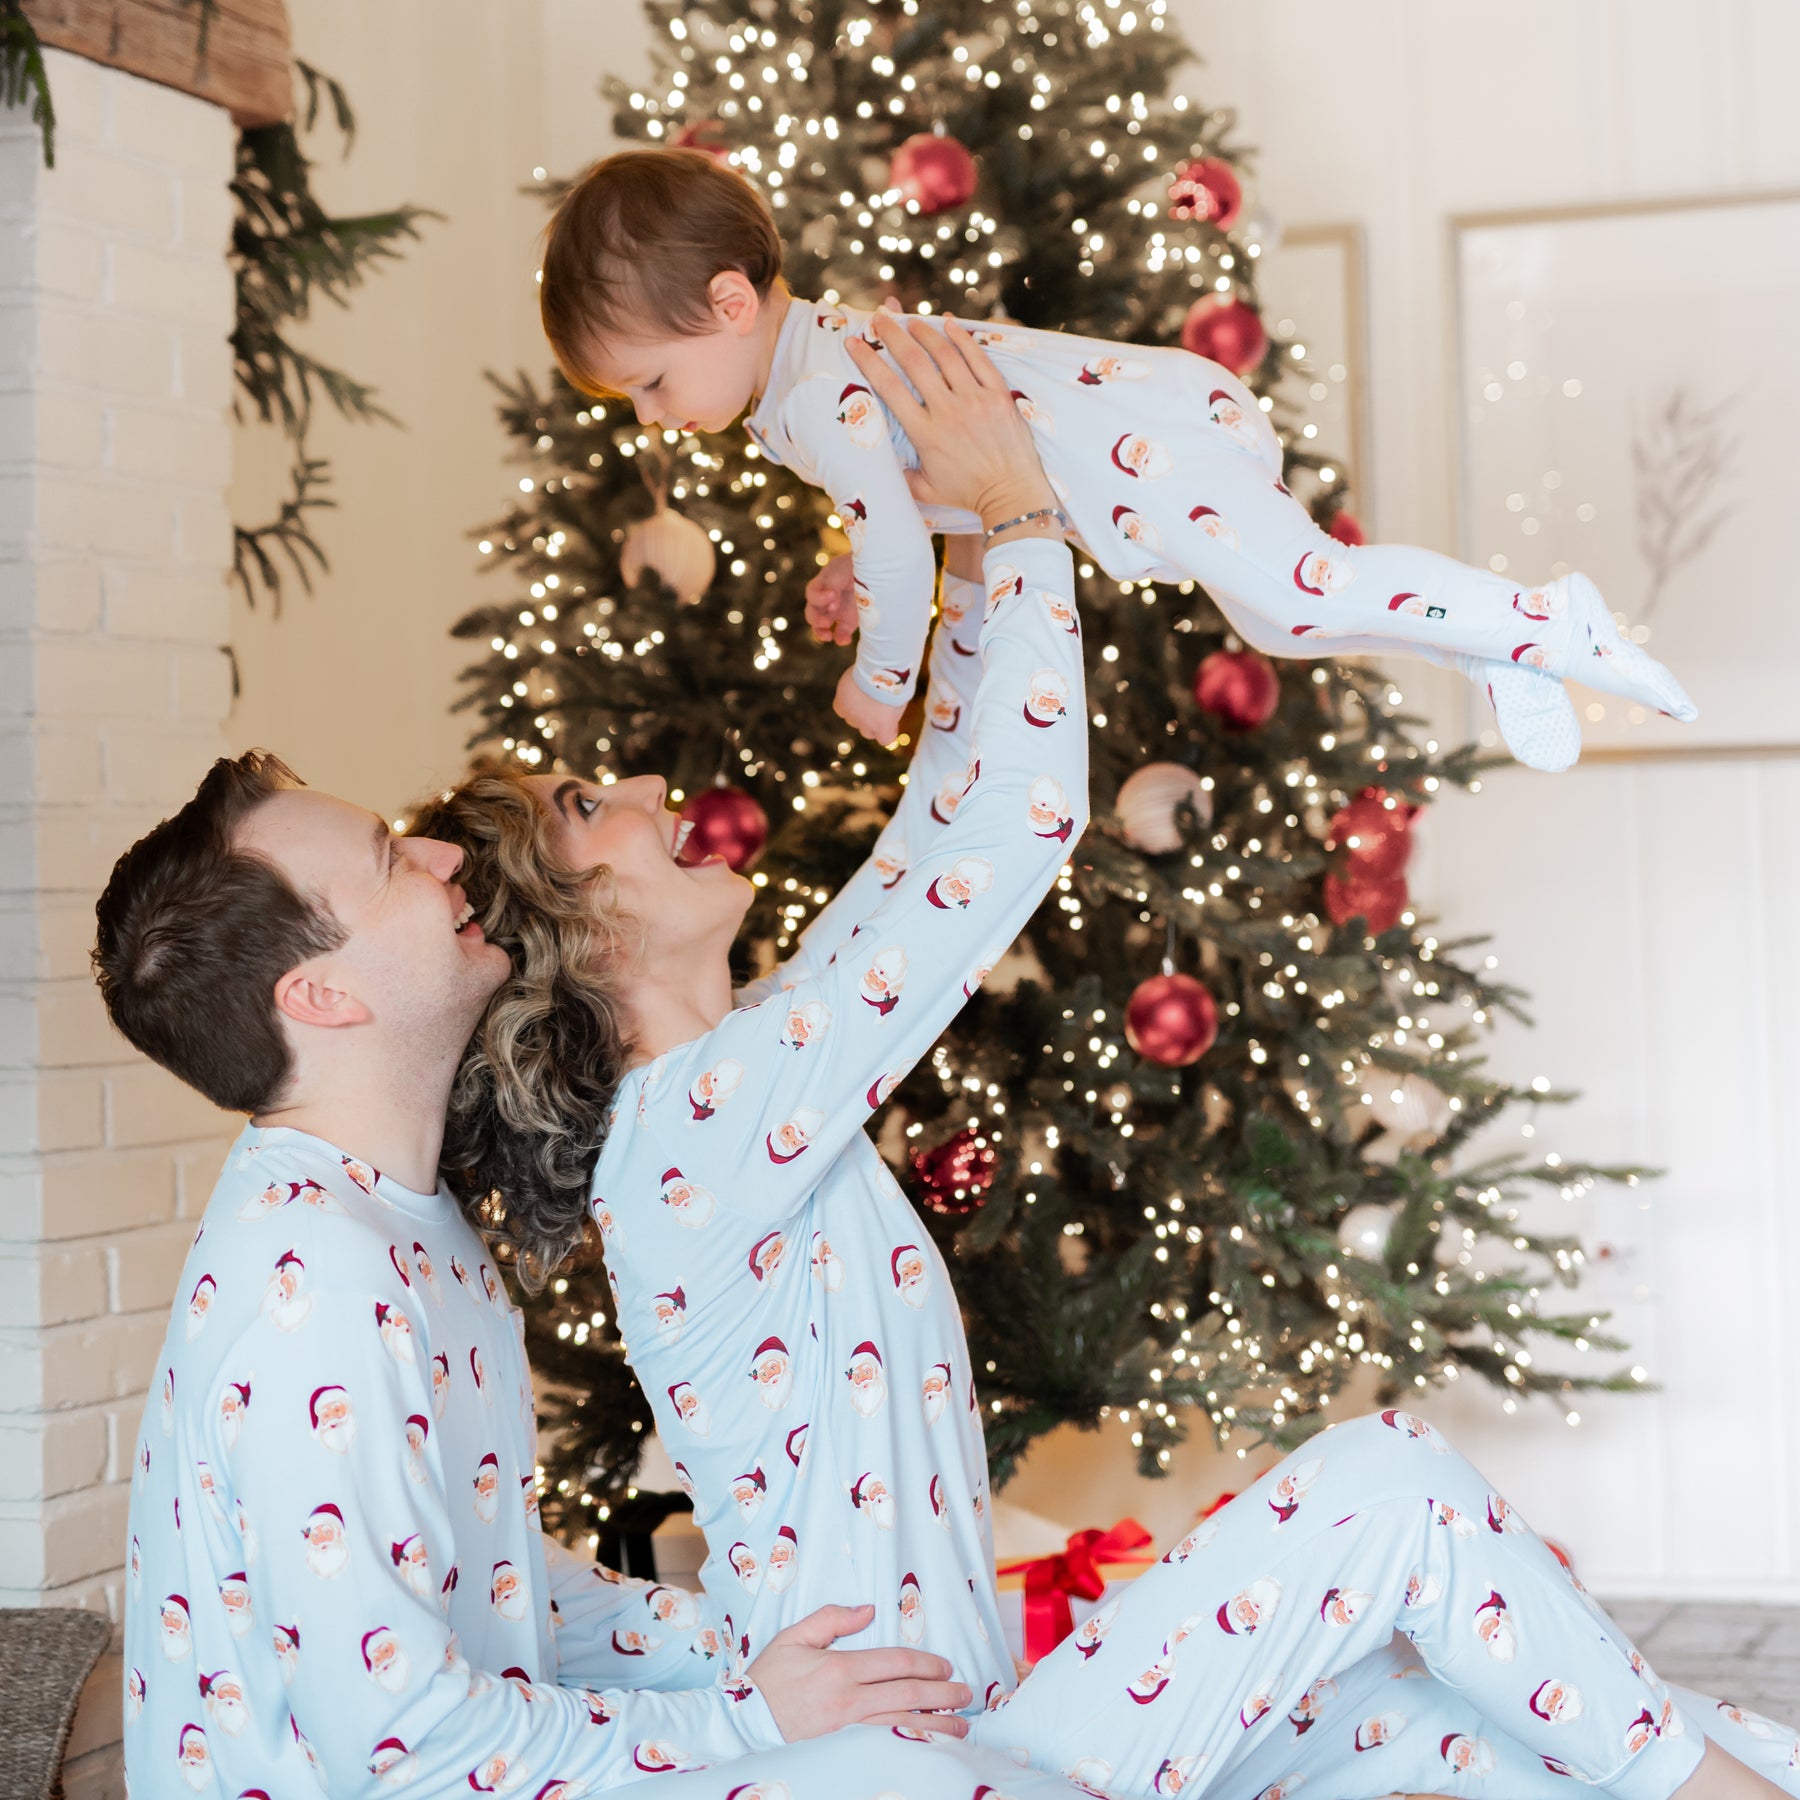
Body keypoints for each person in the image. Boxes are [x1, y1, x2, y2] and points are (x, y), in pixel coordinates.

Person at [414, 312, 1797, 1800]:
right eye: (582, 806)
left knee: (1430, 1710)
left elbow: (943, 823)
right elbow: (1008, 834)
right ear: (582, 941)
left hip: (983, 1737)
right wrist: (1015, 514)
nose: (635, 783)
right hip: (915, 1776)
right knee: (1390, 1486)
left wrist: (958, 555)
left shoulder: (740, 1074)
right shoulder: (697, 1123)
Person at [94, 766, 1019, 1792]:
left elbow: (500, 1584)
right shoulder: (313, 1290)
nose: (445, 858)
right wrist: (748, 1722)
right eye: (389, 861)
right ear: (322, 995)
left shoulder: (403, 1219)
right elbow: (409, 1753)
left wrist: (748, 1649)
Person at [532, 146, 1696, 773]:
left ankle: (1547, 618)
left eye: (650, 383)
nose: (652, 419)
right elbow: (926, 499)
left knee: (1306, 593)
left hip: (1155, 445)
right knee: (1286, 622)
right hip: (1148, 454)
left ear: (730, 303)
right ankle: (1500, 647)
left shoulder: (820, 382)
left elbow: (900, 529)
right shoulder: (804, 381)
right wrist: (857, 559)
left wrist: (881, 679)